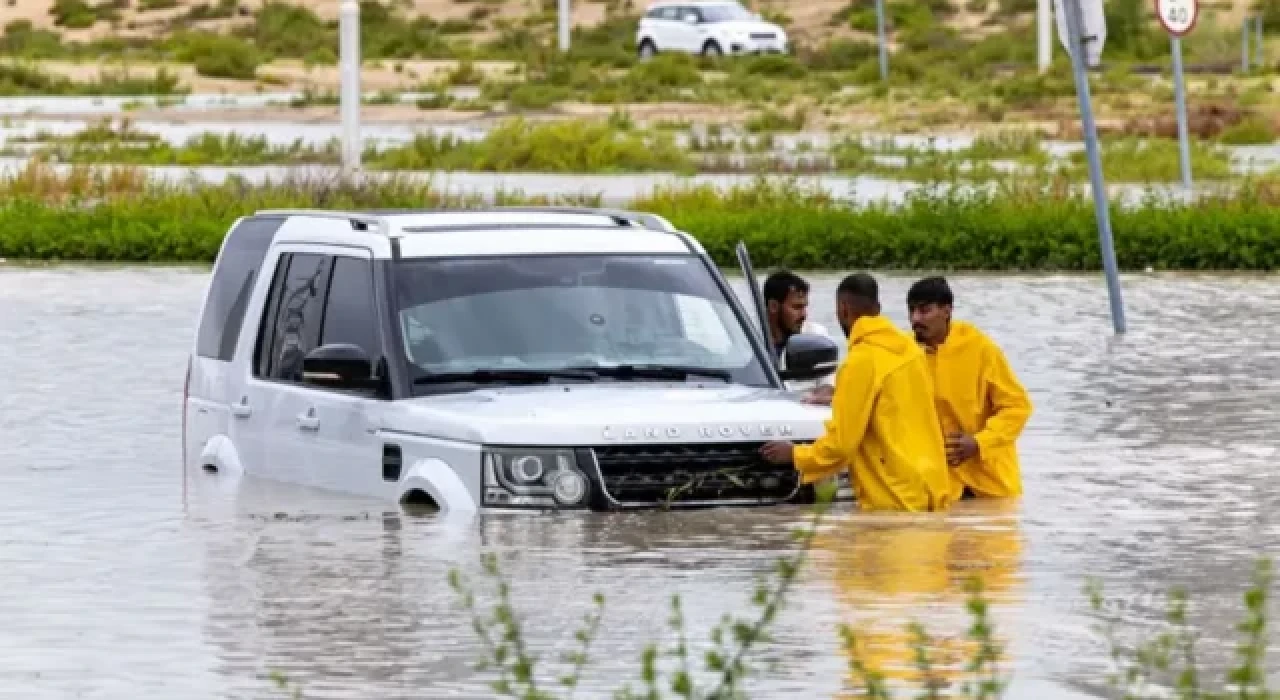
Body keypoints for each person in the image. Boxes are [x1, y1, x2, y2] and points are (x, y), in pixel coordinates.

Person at [759, 273, 954, 513]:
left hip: (894, 499)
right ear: (878, 308)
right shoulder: (912, 352)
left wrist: (795, 454)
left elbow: (841, 445)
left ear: (843, 309)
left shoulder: (860, 362)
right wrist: (840, 396)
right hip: (933, 491)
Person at [907, 276, 1032, 501]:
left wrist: (979, 442)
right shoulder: (905, 353)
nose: (916, 319)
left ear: (946, 311)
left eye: (924, 310)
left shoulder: (981, 350)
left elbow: (1017, 407)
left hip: (990, 484)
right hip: (938, 486)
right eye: (912, 311)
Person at [761, 269, 837, 396]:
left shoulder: (816, 335)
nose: (804, 315)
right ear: (773, 306)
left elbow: (829, 383)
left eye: (804, 306)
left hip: (803, 405)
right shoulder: (749, 340)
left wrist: (822, 394)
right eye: (797, 307)